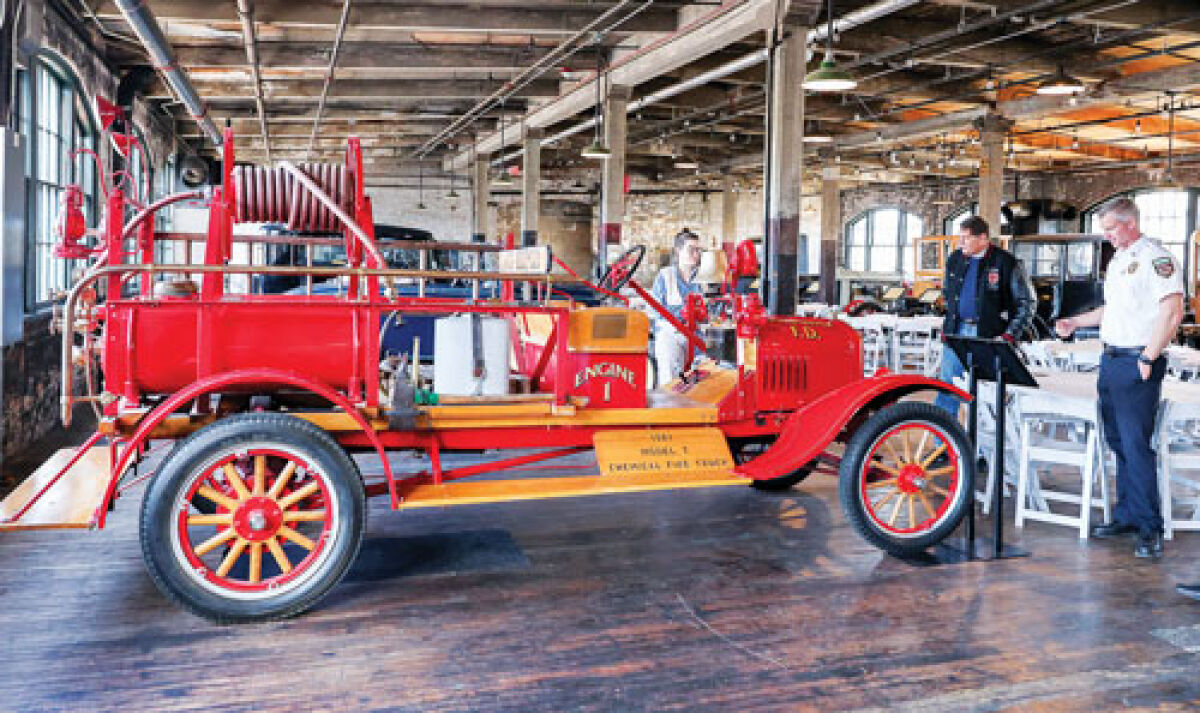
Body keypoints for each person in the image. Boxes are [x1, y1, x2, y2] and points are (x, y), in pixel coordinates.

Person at [1055, 197, 1183, 559]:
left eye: (1111, 228)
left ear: (1130, 223)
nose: (1107, 236)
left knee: (1136, 445)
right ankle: (1126, 513)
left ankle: (1149, 526)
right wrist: (1076, 322)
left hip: (1137, 361)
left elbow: (1171, 312)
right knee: (1118, 442)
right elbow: (1114, 310)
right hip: (1111, 359)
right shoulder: (1121, 261)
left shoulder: (1156, 259)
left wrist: (1149, 356)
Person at [934, 216, 1034, 415]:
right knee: (947, 387)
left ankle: (984, 445)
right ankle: (943, 443)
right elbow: (948, 293)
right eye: (959, 237)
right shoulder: (955, 260)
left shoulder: (1006, 263)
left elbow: (1027, 303)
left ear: (983, 238)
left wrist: (1009, 335)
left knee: (985, 392)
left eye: (966, 238)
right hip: (955, 333)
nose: (961, 242)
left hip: (988, 335)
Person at [650, 229, 704, 387]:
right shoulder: (665, 276)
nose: (696, 254)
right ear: (678, 251)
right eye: (691, 249)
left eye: (698, 250)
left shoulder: (704, 278)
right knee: (670, 381)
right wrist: (680, 315)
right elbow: (656, 310)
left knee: (703, 380)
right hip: (671, 335)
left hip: (697, 336)